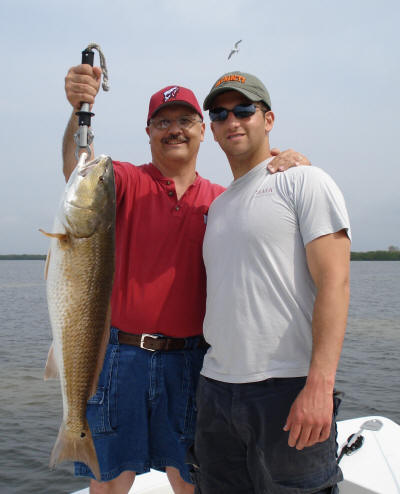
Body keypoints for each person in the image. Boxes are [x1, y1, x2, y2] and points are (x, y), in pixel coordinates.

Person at [62, 64, 309, 494]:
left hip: (195, 361)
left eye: (184, 120)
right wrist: (78, 112)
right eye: (162, 122)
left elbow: (265, 199)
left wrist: (292, 160)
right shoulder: (123, 180)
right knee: (107, 480)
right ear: (148, 131)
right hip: (120, 357)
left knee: (194, 478)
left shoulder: (224, 199)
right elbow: (77, 173)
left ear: (202, 130)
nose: (173, 130)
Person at [192, 71, 351, 494]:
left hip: (287, 387)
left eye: (244, 109)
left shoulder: (304, 180)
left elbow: (335, 282)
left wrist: (320, 386)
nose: (233, 120)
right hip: (215, 390)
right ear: (212, 128)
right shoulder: (218, 206)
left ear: (268, 118)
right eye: (220, 113)